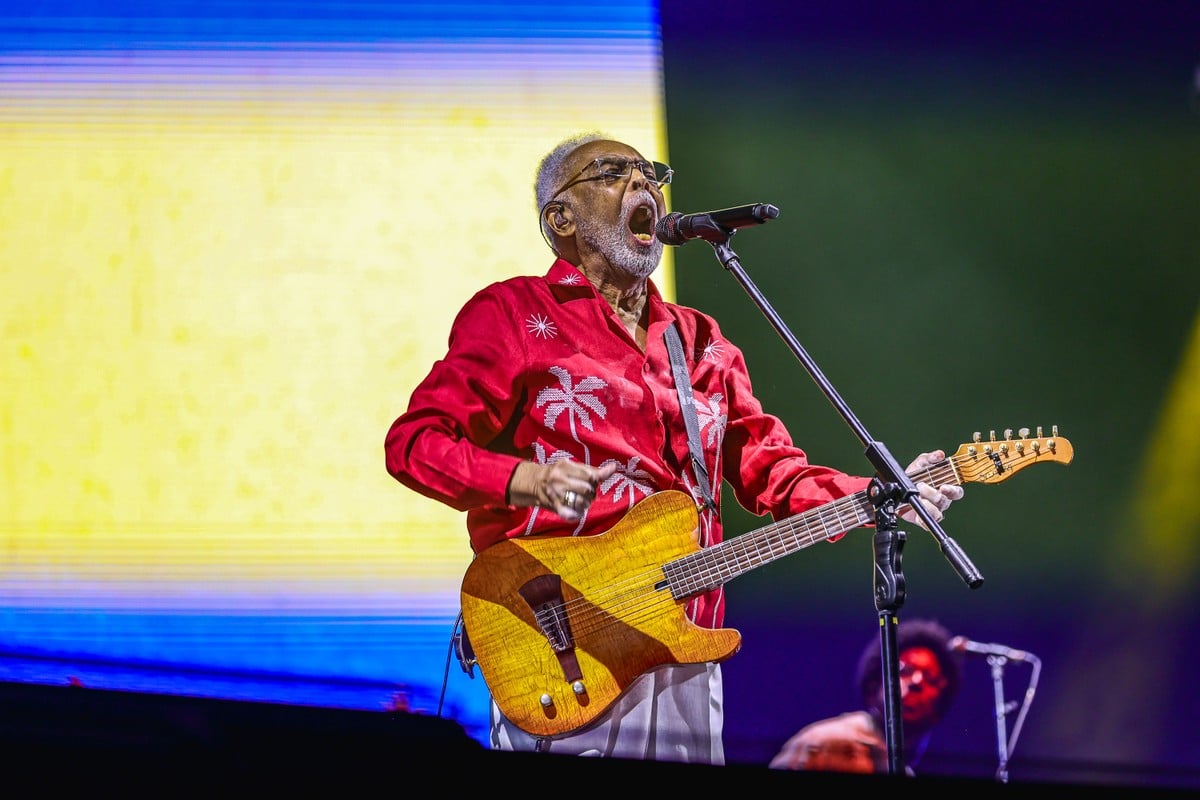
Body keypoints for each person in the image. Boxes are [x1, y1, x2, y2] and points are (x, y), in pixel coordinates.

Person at [383, 131, 965, 765]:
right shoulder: (515, 313)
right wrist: (526, 480)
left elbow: (772, 470)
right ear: (561, 218)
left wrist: (882, 496)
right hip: (564, 644)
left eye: (648, 172)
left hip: (686, 643)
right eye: (612, 173)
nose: (643, 185)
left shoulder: (701, 342)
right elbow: (414, 444)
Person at [768, 618, 963, 774]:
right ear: (876, 681)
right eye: (905, 670)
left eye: (930, 678)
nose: (916, 682)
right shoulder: (825, 741)